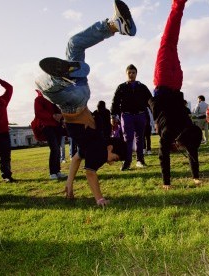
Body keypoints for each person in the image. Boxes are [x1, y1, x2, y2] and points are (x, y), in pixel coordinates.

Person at [34, 0, 134, 206]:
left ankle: (114, 25)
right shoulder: (98, 151)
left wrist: (69, 182)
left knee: (74, 43)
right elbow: (90, 174)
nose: (111, 162)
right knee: (41, 83)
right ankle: (61, 77)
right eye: (115, 158)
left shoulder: (93, 145)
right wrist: (99, 198)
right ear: (110, 147)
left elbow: (76, 159)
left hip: (81, 91)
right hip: (72, 103)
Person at [148, 0, 202, 190]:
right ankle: (178, 4)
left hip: (176, 82)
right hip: (164, 82)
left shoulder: (188, 127)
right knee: (168, 41)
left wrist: (196, 178)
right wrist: (166, 184)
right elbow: (164, 156)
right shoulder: (171, 133)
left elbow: (193, 149)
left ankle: (179, 5)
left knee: (171, 42)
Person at [110, 64, 152, 170]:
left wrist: (156, 114)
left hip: (140, 115)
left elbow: (150, 101)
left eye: (133, 72)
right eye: (129, 72)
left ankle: (140, 161)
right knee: (127, 139)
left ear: (136, 74)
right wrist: (112, 116)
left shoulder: (142, 87)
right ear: (126, 74)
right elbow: (115, 102)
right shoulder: (121, 87)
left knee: (140, 138)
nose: (131, 74)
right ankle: (127, 162)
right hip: (127, 115)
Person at [34, 89, 67, 180]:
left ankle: (57, 171)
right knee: (54, 148)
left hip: (57, 126)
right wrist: (52, 116)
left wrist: (62, 116)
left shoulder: (54, 97)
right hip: (47, 126)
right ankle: (52, 172)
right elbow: (38, 113)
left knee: (57, 148)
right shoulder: (39, 99)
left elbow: (62, 108)